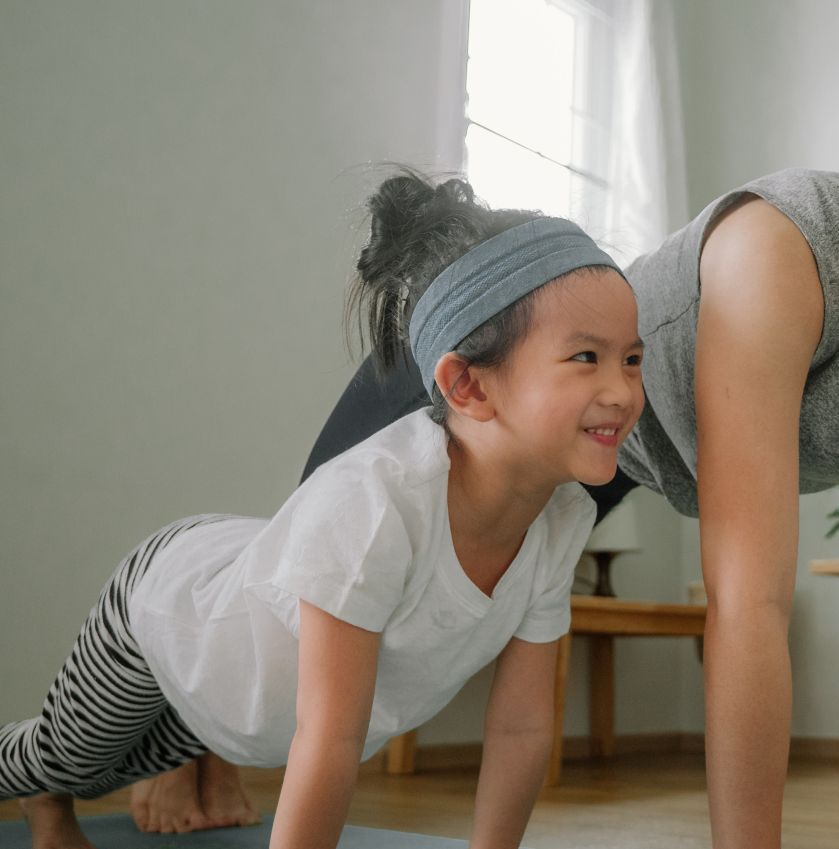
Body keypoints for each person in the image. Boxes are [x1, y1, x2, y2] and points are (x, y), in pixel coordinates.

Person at [139, 85, 839, 848]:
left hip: (621, 457)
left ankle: (202, 748)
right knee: (290, 597)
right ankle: (182, 742)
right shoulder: (789, 250)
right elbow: (747, 601)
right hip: (519, 398)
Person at [1, 174, 646, 849]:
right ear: (467, 385)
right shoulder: (377, 504)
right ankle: (46, 795)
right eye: (586, 357)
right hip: (170, 609)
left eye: (631, 359)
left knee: (138, 755)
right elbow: (330, 738)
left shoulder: (561, 515)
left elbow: (520, 727)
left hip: (248, 680)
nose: (623, 390)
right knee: (69, 756)